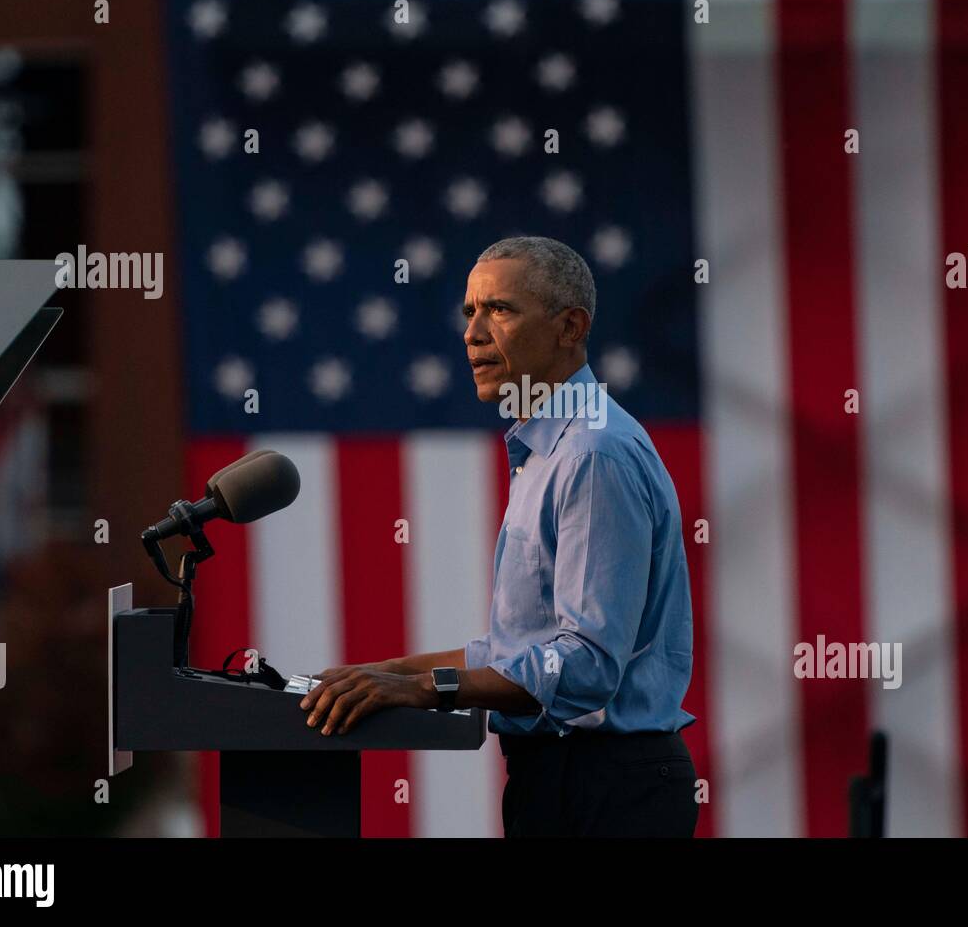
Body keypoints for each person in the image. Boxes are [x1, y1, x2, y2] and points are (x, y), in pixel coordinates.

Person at [299, 235, 699, 836]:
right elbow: (522, 648)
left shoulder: (593, 454)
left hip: (605, 787)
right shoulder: (549, 448)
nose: (473, 334)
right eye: (470, 311)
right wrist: (386, 673)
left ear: (570, 327)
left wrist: (422, 691)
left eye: (500, 310)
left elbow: (584, 665)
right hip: (564, 781)